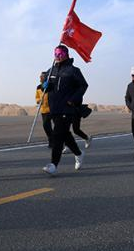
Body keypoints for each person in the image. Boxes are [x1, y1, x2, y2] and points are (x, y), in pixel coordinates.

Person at [42, 45, 87, 175]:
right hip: (54, 108)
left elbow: (83, 86)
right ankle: (79, 153)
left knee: (57, 135)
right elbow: (47, 85)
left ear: (66, 54)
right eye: (55, 53)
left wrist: (73, 99)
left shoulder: (73, 70)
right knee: (65, 134)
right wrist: (46, 85)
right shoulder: (51, 70)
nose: (57, 56)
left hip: (67, 108)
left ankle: (53, 165)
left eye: (60, 53)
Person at [35, 72, 53, 148]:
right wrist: (39, 100)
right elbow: (37, 97)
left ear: (46, 77)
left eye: (42, 76)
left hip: (52, 109)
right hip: (44, 110)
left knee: (57, 126)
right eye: (40, 76)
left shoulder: (50, 86)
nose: (40, 78)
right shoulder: (39, 87)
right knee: (46, 126)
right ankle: (51, 140)